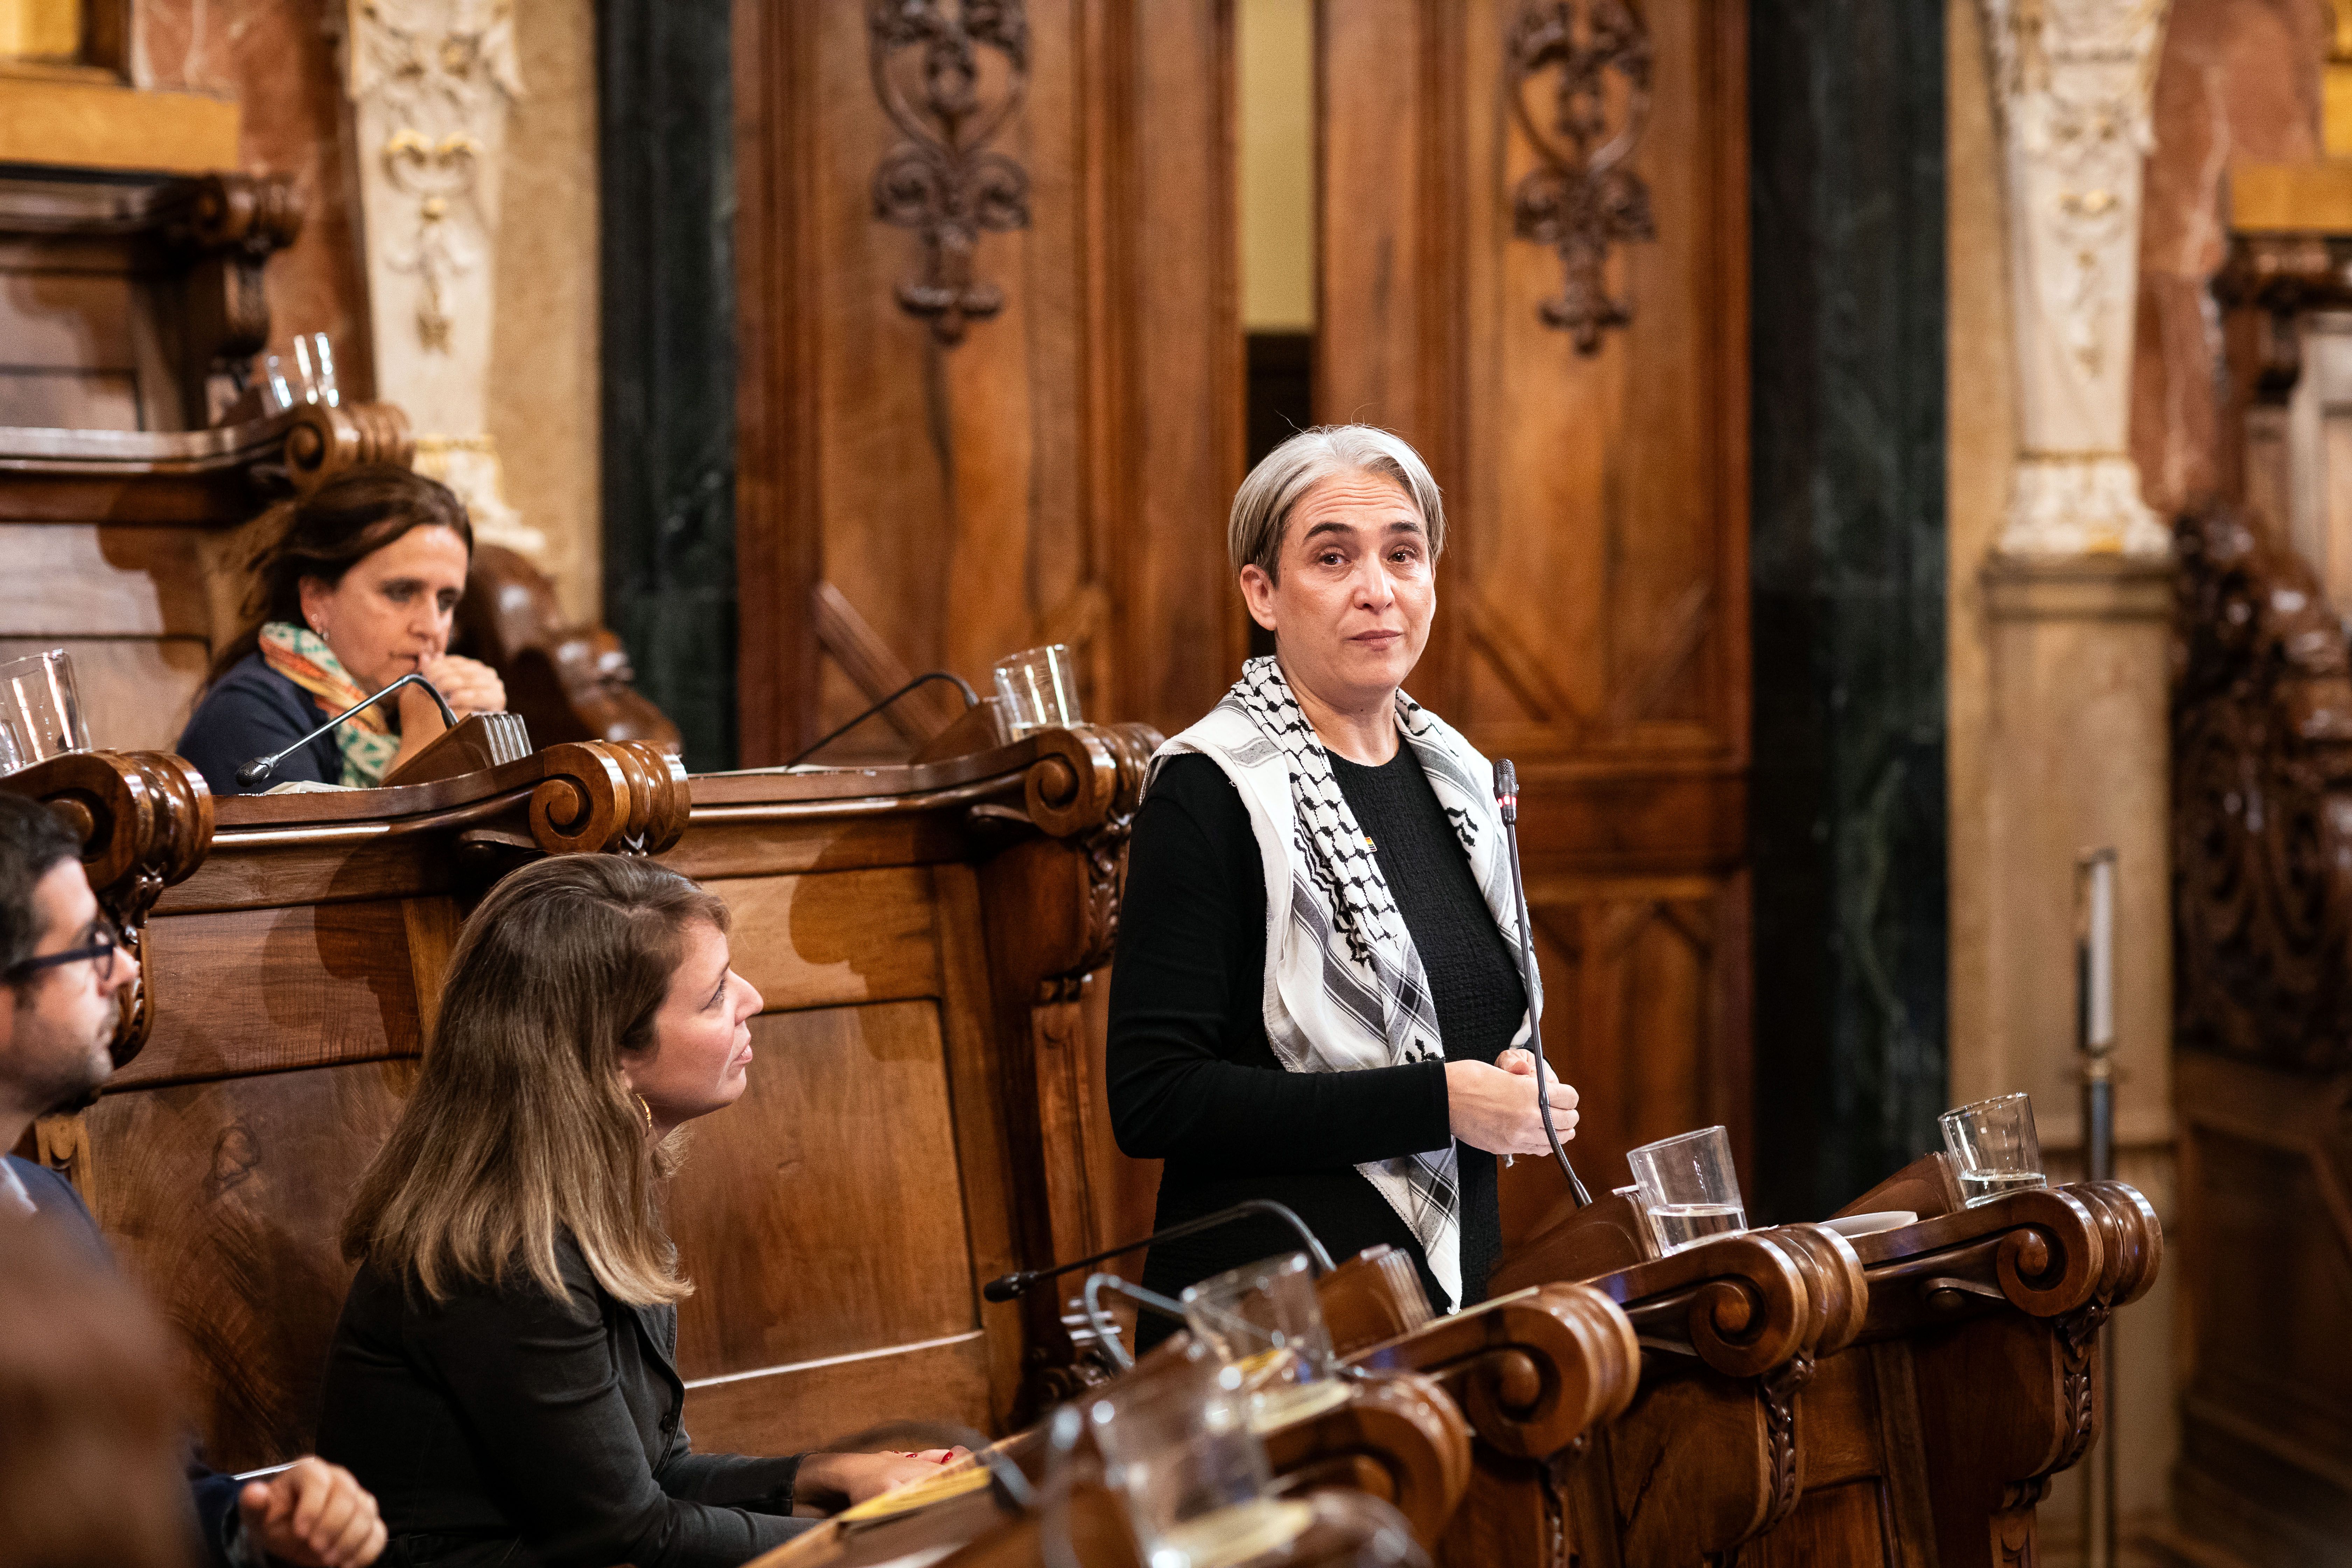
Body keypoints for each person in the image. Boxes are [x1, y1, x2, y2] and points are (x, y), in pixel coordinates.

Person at [316, 855, 952, 1568]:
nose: (754, 998)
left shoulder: (590, 1186)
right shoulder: (510, 1255)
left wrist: (826, 1472)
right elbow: (635, 1534)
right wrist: (890, 1539)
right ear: (610, 1055)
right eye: (714, 995)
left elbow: (651, 1481)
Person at [1106, 425, 1582, 1334]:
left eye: (1404, 554)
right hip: (1271, 1332)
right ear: (1264, 593)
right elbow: (1155, 1097)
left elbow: (1463, 1026)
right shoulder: (1209, 789)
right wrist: (1439, 1099)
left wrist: (1515, 1085)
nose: (1377, 590)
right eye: (1333, 557)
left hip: (1443, 1312)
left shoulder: (1467, 783)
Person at [0, 791, 386, 1568]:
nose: (125, 967)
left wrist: (261, 1523)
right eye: (87, 945)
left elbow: (161, 1489)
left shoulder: (43, 1199)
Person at [176, 467, 508, 796]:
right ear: (317, 599)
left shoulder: (398, 706)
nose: (432, 627)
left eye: (447, 601)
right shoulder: (247, 715)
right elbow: (331, 852)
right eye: (401, 593)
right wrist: (428, 751)